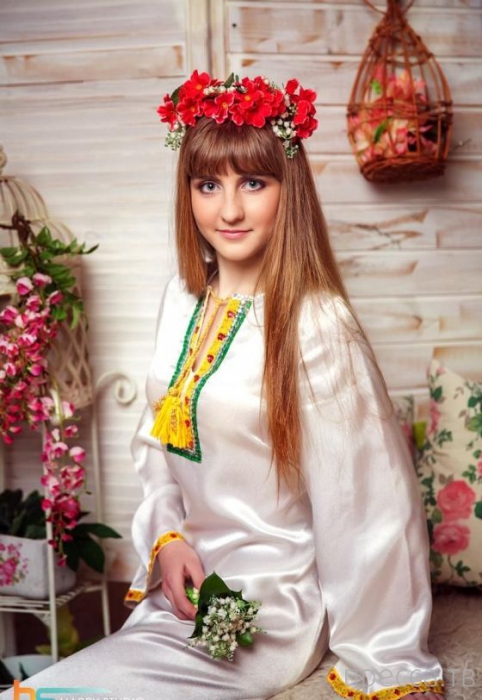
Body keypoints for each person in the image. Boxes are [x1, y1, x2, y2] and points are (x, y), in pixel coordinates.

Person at [1, 72, 445, 700]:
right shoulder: (183, 298)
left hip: (268, 609)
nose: (228, 210)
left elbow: (370, 505)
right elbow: (157, 438)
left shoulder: (318, 324)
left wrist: (387, 657)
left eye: (253, 183)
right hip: (183, 594)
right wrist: (167, 538)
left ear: (290, 190)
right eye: (208, 185)